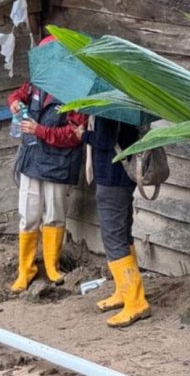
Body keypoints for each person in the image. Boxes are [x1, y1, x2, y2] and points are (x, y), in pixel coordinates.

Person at [7, 37, 87, 293]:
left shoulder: (75, 91)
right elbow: (15, 96)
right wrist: (14, 103)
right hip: (32, 158)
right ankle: (26, 269)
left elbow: (75, 136)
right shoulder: (36, 83)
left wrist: (39, 130)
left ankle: (52, 266)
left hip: (59, 162)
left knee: (54, 215)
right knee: (28, 215)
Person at [75, 117, 149, 327]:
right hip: (122, 175)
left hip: (112, 177)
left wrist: (83, 135)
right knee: (123, 235)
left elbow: (105, 140)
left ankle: (136, 302)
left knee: (113, 237)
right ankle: (123, 291)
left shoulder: (110, 107)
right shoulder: (124, 102)